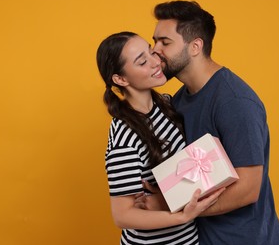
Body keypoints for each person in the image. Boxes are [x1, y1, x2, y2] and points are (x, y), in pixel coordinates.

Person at [148, 1, 279, 244]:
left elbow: (248, 189)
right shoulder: (180, 100)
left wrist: (174, 206)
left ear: (195, 47)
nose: (155, 50)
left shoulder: (234, 101)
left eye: (165, 42)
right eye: (155, 41)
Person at [96, 31, 224, 245]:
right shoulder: (124, 137)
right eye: (142, 61)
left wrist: (168, 190)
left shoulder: (165, 104)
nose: (156, 61)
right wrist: (181, 216)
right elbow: (122, 215)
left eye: (150, 51)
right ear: (120, 79)